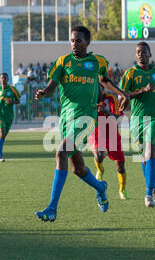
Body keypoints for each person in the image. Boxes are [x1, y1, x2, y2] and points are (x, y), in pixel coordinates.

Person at [34, 26, 129, 222]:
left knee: (60, 152)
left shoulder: (97, 62)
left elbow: (105, 81)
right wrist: (44, 93)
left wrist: (122, 94)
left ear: (87, 43)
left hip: (86, 118)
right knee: (78, 169)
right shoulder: (63, 61)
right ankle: (100, 187)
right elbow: (51, 88)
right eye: (71, 40)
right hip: (66, 120)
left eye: (78, 40)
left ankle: (52, 209)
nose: (74, 44)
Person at [119, 41, 155, 208]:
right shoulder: (130, 74)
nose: (139, 54)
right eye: (137, 52)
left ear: (149, 54)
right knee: (143, 158)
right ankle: (153, 185)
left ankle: (148, 193)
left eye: (143, 51)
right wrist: (142, 90)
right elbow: (123, 95)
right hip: (137, 120)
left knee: (150, 153)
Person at [89, 85, 128, 200]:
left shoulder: (111, 99)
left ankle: (122, 189)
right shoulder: (89, 100)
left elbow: (119, 119)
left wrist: (106, 112)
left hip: (112, 133)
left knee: (120, 166)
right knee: (99, 156)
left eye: (98, 88)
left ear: (102, 89)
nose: (96, 91)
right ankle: (100, 169)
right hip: (96, 132)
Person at [0, 72, 20, 162]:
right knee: (1, 133)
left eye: (5, 78)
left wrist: (12, 102)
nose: (3, 79)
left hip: (9, 116)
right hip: (0, 114)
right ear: (0, 79)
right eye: (2, 78)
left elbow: (18, 101)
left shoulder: (13, 90)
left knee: (3, 136)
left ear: (8, 79)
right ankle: (0, 156)